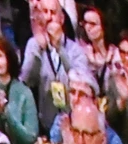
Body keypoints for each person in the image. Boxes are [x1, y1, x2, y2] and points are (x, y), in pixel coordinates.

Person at [21, 0, 91, 136]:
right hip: (46, 124)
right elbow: (26, 81)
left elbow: (80, 79)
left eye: (52, 13)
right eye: (44, 12)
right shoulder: (33, 45)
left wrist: (60, 49)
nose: (48, 17)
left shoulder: (75, 50)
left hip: (75, 123)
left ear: (62, 18)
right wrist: (38, 50)